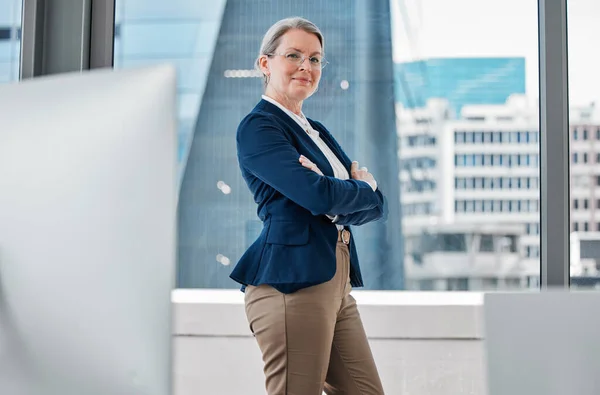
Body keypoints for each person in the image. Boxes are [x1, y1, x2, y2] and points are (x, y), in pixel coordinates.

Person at [230, 17, 386, 395]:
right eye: (294, 55)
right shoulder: (260, 127)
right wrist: (346, 189)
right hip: (292, 285)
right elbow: (319, 196)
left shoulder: (315, 129)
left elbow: (375, 203)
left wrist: (350, 189)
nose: (306, 66)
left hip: (337, 282)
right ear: (265, 64)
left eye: (315, 59)